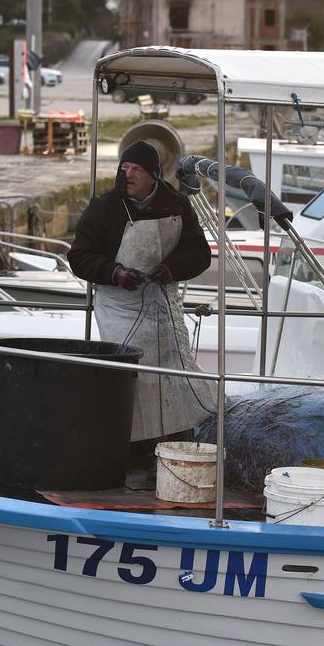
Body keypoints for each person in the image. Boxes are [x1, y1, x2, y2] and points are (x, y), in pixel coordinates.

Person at [67, 140, 214, 441]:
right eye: (124, 168)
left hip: (163, 308)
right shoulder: (103, 209)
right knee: (129, 379)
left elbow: (199, 253)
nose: (129, 174)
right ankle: (127, 443)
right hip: (119, 311)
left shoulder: (177, 205)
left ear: (154, 175)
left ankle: (175, 439)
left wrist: (171, 268)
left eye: (137, 169)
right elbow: (79, 257)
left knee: (172, 377)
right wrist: (115, 273)